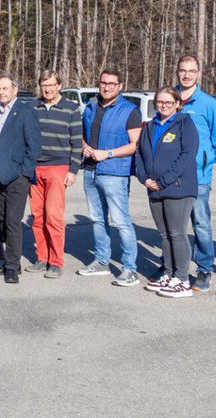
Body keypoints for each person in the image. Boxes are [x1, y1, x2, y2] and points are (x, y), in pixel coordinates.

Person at [175, 54, 216, 292]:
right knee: (174, 225)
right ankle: (171, 265)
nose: (186, 75)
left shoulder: (209, 104)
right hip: (172, 175)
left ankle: (204, 268)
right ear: (177, 72)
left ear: (198, 74)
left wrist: (208, 159)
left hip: (197, 176)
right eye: (182, 70)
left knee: (200, 223)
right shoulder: (171, 99)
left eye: (191, 71)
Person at [134, 87, 201, 299]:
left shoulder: (185, 124)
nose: (164, 105)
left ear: (177, 104)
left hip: (178, 188)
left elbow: (187, 155)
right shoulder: (150, 126)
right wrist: (144, 178)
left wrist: (163, 181)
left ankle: (182, 279)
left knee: (177, 234)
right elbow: (139, 154)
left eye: (168, 102)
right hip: (153, 188)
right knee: (164, 234)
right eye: (160, 102)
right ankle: (170, 273)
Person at [78, 69, 143, 286]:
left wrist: (109, 153)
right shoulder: (90, 106)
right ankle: (101, 261)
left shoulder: (130, 110)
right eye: (103, 83)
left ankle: (129, 269)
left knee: (121, 222)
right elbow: (81, 135)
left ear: (120, 86)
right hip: (90, 170)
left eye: (111, 84)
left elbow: (136, 144)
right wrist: (84, 147)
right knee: (97, 219)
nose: (106, 87)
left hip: (115, 172)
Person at [0, 74, 41, 285]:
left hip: (16, 177)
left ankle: (13, 266)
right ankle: (7, 260)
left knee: (13, 222)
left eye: (5, 88)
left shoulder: (25, 112)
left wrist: (24, 172)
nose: (1, 92)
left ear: (14, 90)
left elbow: (34, 147)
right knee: (1, 220)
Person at [29, 71, 82, 278]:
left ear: (59, 85)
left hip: (58, 168)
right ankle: (42, 258)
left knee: (53, 216)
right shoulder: (33, 107)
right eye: (44, 85)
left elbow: (76, 142)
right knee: (38, 216)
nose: (48, 89)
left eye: (51, 85)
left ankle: (56, 261)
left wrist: (73, 170)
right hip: (35, 168)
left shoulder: (71, 109)